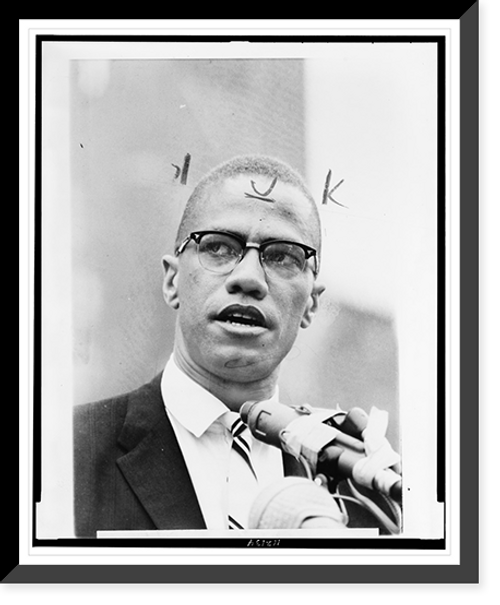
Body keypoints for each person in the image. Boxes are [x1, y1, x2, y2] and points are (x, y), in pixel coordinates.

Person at [73, 154, 393, 537]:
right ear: (172, 281)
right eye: (219, 248)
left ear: (311, 304)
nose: (248, 278)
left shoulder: (361, 482)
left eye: (283, 256)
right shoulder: (64, 450)